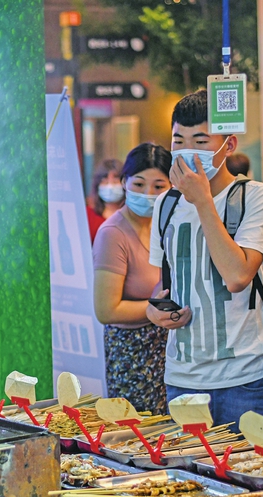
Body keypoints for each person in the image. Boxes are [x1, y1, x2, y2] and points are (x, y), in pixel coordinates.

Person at [147, 89, 263, 428]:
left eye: (201, 141)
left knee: (251, 478)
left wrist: (203, 202)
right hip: (182, 378)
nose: (187, 150)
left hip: (243, 379)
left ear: (229, 146)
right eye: (179, 140)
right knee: (187, 479)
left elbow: (237, 277)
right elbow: (165, 283)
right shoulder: (166, 203)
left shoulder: (256, 197)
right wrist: (154, 310)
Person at [92, 143, 172, 413]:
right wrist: (154, 310)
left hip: (168, 351)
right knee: (138, 439)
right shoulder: (113, 233)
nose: (148, 194)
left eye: (158, 186)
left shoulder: (167, 225)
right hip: (132, 356)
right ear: (125, 182)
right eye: (139, 184)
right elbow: (106, 309)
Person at [87, 159, 125, 243]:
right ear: (97, 185)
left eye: (115, 181)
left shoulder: (132, 215)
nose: (110, 187)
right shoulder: (87, 215)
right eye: (105, 182)